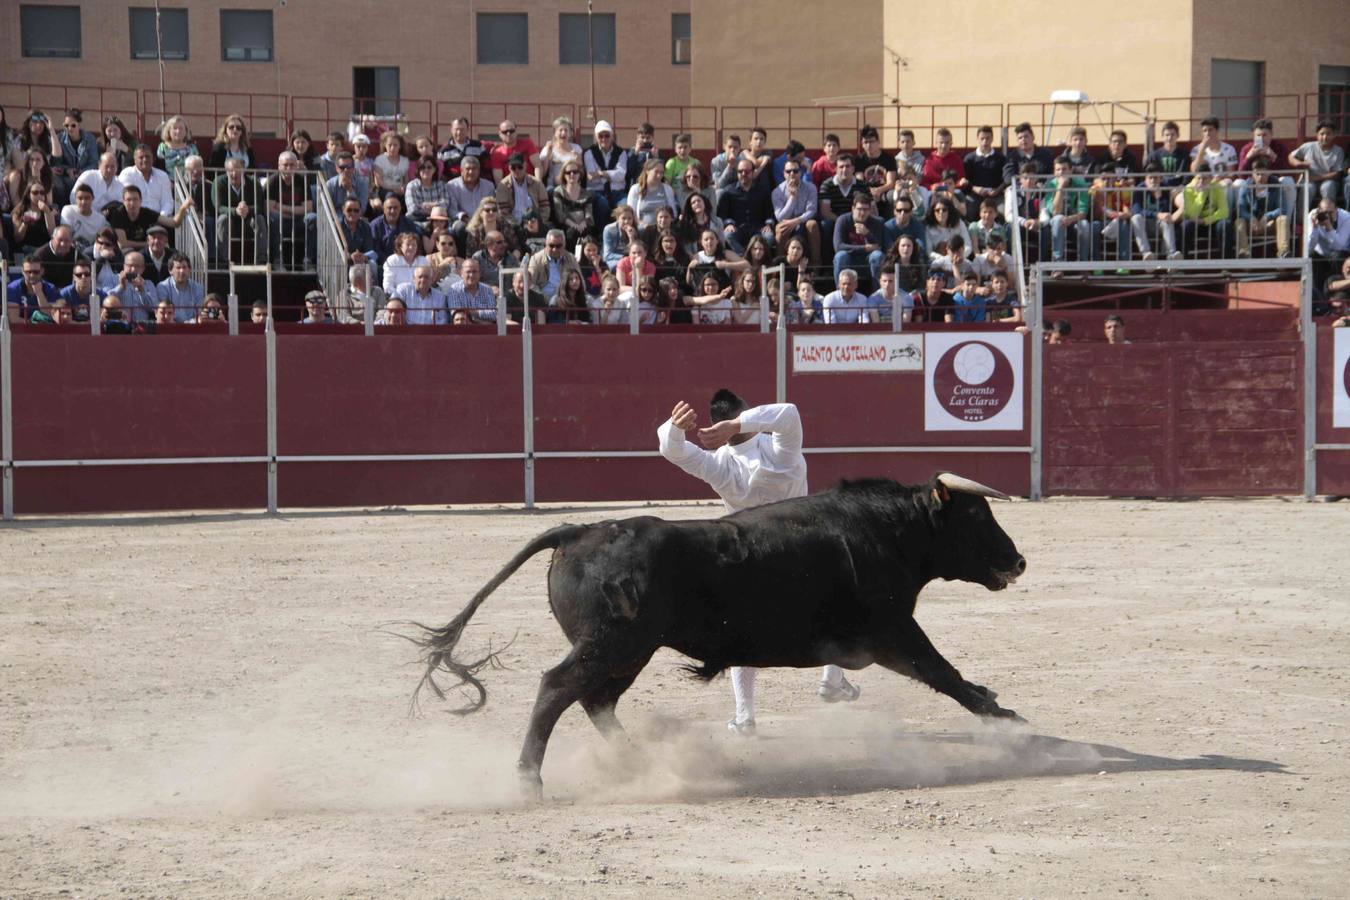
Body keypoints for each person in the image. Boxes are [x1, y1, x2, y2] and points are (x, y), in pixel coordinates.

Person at [657, 390, 861, 735]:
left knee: (740, 634)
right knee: (842, 604)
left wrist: (674, 429)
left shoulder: (717, 464)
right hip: (803, 549)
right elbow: (789, 413)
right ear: (747, 413)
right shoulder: (781, 451)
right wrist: (736, 425)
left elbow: (671, 449)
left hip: (750, 559)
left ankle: (745, 717)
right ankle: (832, 678)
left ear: (715, 426)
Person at [716, 158, 774, 254]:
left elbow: (770, 212)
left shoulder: (763, 191)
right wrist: (728, 224)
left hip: (758, 228)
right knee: (727, 235)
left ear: (752, 172)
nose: (743, 174)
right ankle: (744, 257)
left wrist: (769, 224)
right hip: (737, 228)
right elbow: (722, 213)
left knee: (769, 237)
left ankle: (756, 257)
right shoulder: (728, 191)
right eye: (740, 171)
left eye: (747, 171)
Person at [772, 158, 820, 265]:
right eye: (788, 171)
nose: (792, 174)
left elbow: (811, 210)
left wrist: (797, 221)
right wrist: (792, 198)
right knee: (781, 228)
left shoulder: (810, 188)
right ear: (784, 173)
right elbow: (780, 217)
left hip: (803, 222)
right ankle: (779, 264)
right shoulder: (777, 192)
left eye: (795, 171)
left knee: (812, 224)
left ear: (800, 172)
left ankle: (816, 265)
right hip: (787, 223)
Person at [832, 193, 885, 286]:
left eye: (865, 209)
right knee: (840, 256)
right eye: (859, 209)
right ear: (853, 209)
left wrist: (867, 234)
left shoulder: (877, 222)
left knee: (878, 256)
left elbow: (879, 245)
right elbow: (838, 246)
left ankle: (877, 293)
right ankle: (840, 293)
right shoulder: (843, 220)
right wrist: (864, 248)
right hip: (850, 258)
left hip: (868, 259)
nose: (862, 213)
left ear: (870, 210)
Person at [1289, 120, 1346, 205]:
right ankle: (1301, 216)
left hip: (1329, 181)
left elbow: (1337, 173)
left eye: (1328, 134)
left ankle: (1329, 215)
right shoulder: (1308, 146)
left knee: (1328, 186)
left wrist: (1317, 178)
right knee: (1308, 188)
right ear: (1317, 135)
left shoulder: (1338, 151)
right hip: (1310, 181)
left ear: (1334, 135)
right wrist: (1298, 163)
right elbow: (1291, 156)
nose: (1325, 137)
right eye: (1322, 134)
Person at [119, 144, 175, 217]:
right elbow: (125, 201)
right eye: (141, 157)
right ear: (135, 159)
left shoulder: (163, 176)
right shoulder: (127, 174)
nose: (145, 159)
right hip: (134, 219)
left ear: (153, 158)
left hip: (159, 220)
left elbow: (168, 202)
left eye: (147, 157)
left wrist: (161, 218)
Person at [445, 257, 498, 322]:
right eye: (468, 272)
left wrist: (470, 312)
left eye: (474, 272)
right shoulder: (454, 290)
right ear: (461, 273)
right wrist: (482, 319)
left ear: (479, 273)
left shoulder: (488, 290)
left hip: (486, 331)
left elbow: (494, 314)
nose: (471, 275)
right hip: (463, 331)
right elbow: (458, 315)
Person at [155, 253, 205, 322]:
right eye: (178, 268)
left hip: (192, 328)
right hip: (170, 327)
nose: (182, 271)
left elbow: (199, 313)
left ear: (189, 270)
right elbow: (165, 313)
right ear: (170, 271)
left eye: (184, 267)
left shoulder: (198, 288)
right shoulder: (162, 287)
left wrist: (187, 325)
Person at [536, 116, 583, 188]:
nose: (563, 133)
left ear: (570, 133)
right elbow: (543, 173)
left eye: (566, 130)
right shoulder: (547, 148)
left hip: (572, 186)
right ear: (555, 133)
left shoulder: (576, 148)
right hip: (553, 186)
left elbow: (581, 172)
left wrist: (578, 161)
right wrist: (547, 158)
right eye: (560, 130)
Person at [6, 258, 57, 323]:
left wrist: (39, 293)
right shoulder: (13, 288)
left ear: (42, 271)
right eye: (28, 272)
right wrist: (32, 322)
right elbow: (13, 319)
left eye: (36, 272)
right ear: (22, 271)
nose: (32, 275)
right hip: (21, 330)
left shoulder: (50, 288)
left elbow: (51, 316)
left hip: (46, 329)